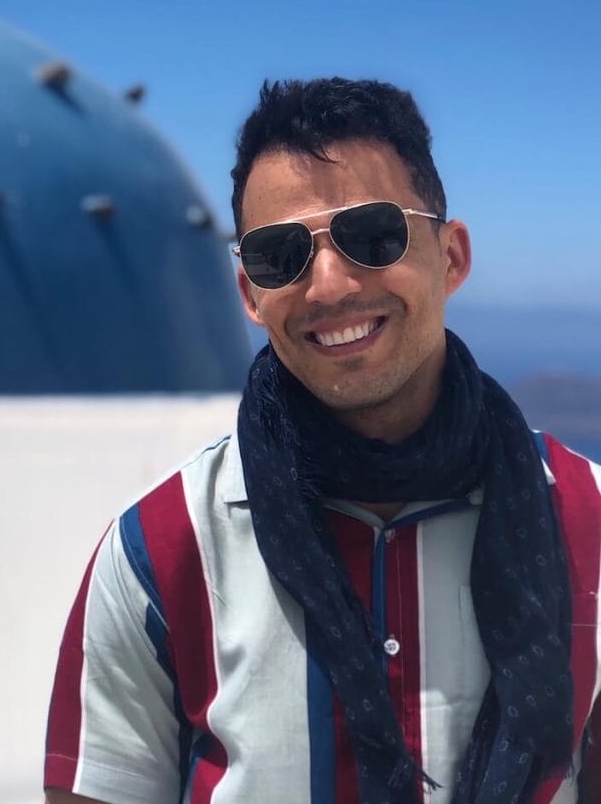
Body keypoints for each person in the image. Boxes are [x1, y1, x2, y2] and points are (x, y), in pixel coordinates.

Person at [43, 78, 601, 804]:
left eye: (373, 235)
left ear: (452, 256)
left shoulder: (589, 524)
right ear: (249, 295)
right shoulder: (161, 550)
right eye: (281, 256)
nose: (330, 286)